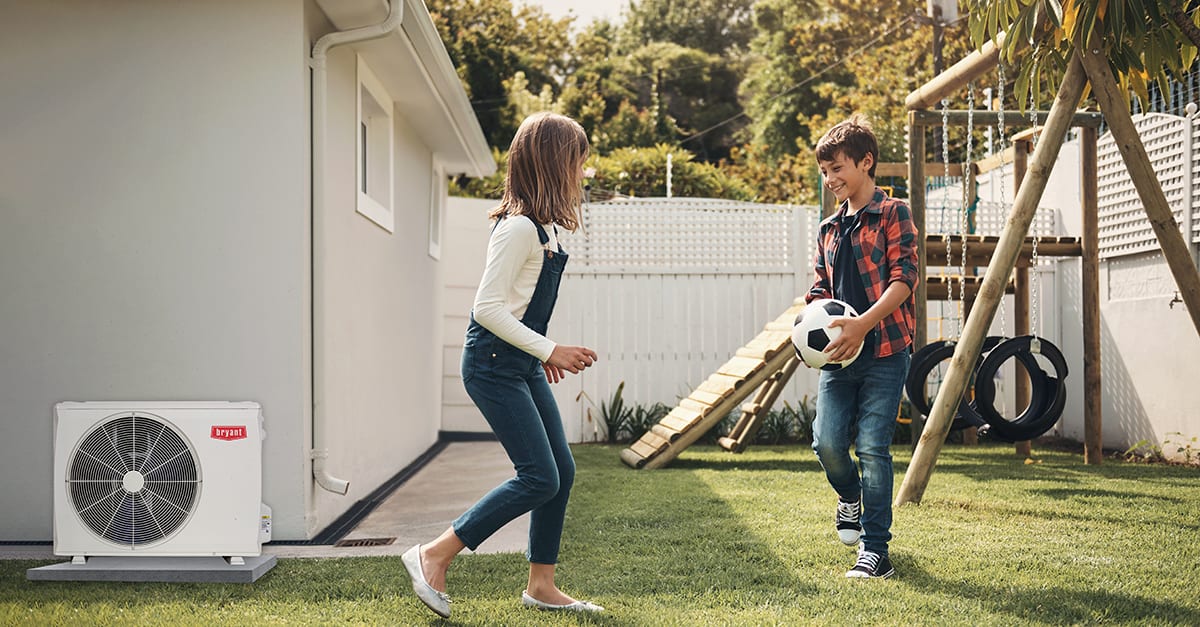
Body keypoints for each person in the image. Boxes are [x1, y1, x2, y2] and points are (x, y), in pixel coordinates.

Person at [401, 112, 604, 618]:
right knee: (539, 475)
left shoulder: (547, 231)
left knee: (562, 471)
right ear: (555, 164)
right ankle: (433, 553)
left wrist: (540, 352)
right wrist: (548, 348)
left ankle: (541, 585)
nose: (584, 172)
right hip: (492, 365)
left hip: (519, 363)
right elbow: (487, 309)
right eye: (578, 162)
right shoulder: (518, 229)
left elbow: (516, 307)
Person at [805, 115, 918, 579]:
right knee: (826, 443)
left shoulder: (894, 213)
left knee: (873, 448)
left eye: (837, 169)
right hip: (838, 357)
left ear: (866, 162)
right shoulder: (828, 229)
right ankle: (849, 496)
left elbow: (905, 279)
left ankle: (876, 551)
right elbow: (818, 289)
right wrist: (813, 322)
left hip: (886, 352)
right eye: (825, 172)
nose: (830, 179)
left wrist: (862, 325)